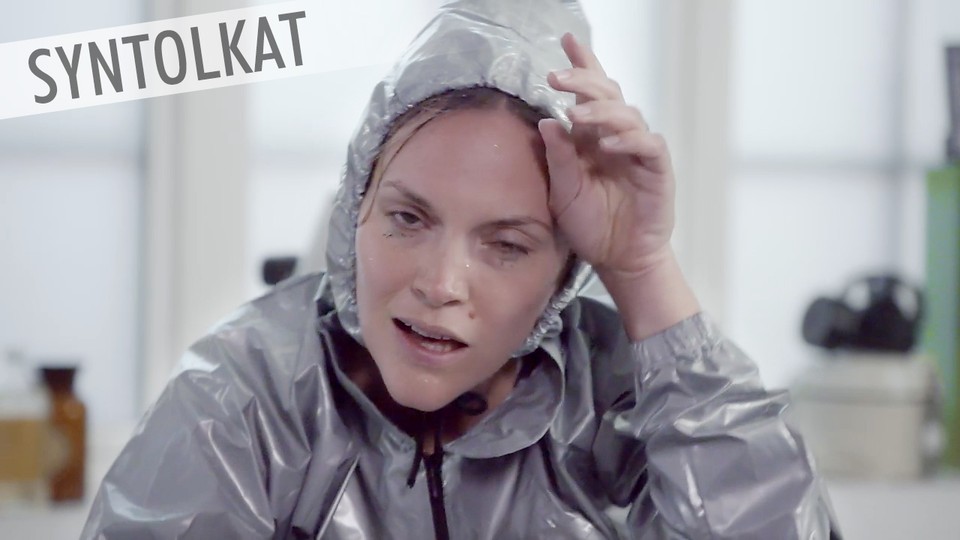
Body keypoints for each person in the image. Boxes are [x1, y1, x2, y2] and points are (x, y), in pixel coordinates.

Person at [82, 1, 841, 538]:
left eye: (506, 245)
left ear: (564, 272)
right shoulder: (246, 395)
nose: (441, 285)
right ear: (355, 209)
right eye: (409, 219)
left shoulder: (623, 408)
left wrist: (641, 268)